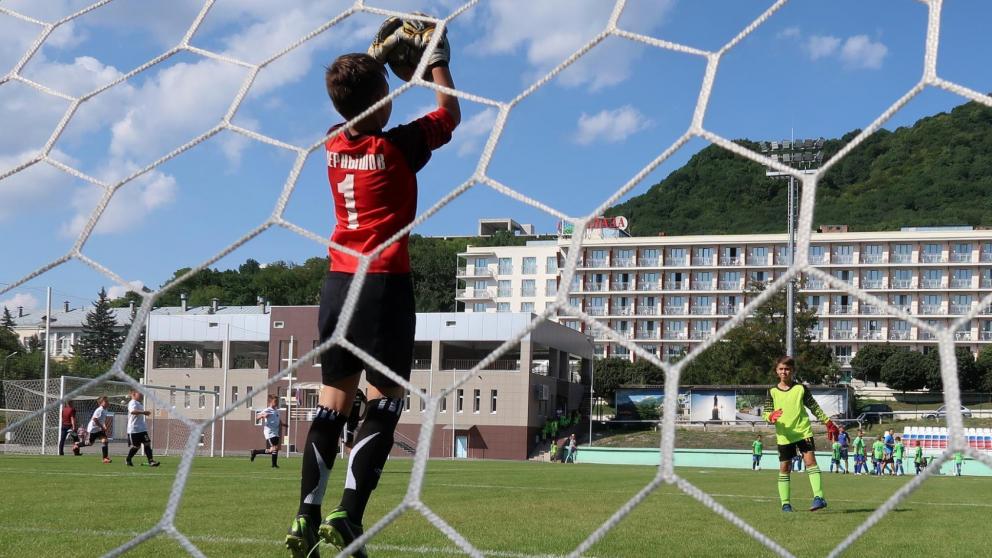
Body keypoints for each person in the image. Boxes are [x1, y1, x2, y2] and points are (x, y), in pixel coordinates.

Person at [284, 19, 460, 558]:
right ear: (382, 95)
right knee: (384, 403)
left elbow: (355, 101)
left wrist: (374, 63)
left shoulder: (331, 143)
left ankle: (305, 515)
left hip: (337, 287)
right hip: (383, 286)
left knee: (332, 405)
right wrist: (436, 60)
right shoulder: (398, 146)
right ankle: (349, 514)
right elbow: (449, 114)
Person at [762, 356, 833, 512]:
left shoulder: (801, 389)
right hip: (784, 435)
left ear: (792, 371)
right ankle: (785, 504)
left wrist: (828, 422)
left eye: (787, 369)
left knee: (810, 462)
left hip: (803, 432)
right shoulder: (772, 391)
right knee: (785, 467)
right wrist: (770, 416)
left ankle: (819, 498)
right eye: (781, 369)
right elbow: (766, 412)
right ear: (776, 371)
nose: (784, 372)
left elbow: (814, 407)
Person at [125, 389, 160, 467]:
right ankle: (128, 459)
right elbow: (132, 411)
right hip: (134, 429)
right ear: (134, 394)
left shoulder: (139, 403)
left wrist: (144, 413)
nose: (142, 395)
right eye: (139, 393)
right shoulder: (132, 402)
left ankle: (151, 461)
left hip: (142, 429)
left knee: (147, 443)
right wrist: (144, 412)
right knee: (136, 446)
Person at [252, 395, 286, 468]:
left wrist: (283, 424)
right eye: (275, 401)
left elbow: (278, 419)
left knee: (273, 450)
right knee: (274, 448)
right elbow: (257, 417)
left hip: (275, 432)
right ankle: (274, 465)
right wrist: (262, 416)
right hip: (269, 432)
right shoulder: (267, 410)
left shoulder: (276, 410)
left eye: (277, 401)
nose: (277, 403)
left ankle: (255, 452)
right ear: (270, 402)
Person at [76, 395, 112, 464]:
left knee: (105, 441)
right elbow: (95, 419)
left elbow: (102, 420)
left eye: (107, 401)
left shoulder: (105, 410)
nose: (108, 402)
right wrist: (102, 427)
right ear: (101, 403)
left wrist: (104, 426)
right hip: (92, 429)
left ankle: (105, 458)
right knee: (90, 443)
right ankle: (77, 445)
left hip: (99, 429)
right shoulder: (99, 410)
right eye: (106, 401)